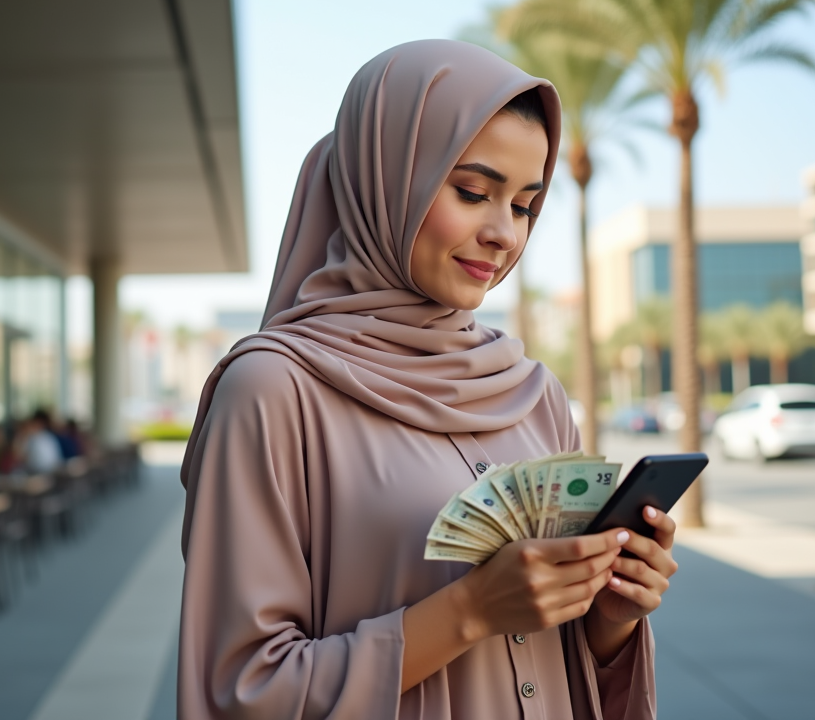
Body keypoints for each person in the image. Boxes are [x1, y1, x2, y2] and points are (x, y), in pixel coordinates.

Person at [178, 40, 675, 718]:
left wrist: (609, 615)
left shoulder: (534, 394)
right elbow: (242, 690)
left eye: (525, 206)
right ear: (384, 180)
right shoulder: (272, 392)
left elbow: (556, 658)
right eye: (473, 192)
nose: (504, 234)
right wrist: (468, 611)